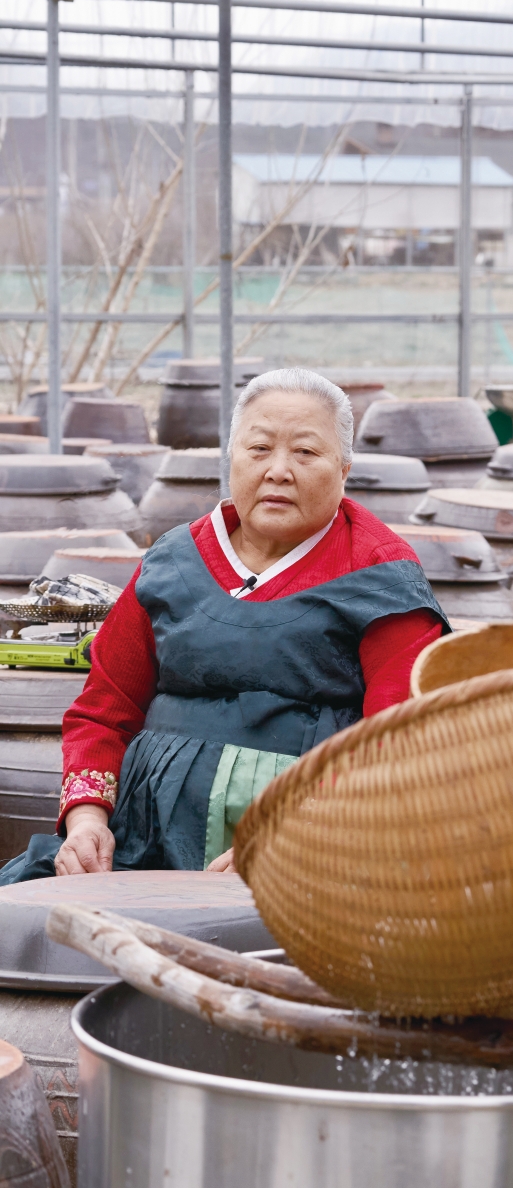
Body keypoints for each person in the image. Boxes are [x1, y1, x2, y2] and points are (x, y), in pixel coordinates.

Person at [1, 368, 447, 882]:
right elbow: (104, 710)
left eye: (305, 453)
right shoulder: (172, 561)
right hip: (140, 843)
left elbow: (396, 740)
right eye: (259, 449)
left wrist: (295, 837)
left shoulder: (380, 574)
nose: (279, 470)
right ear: (231, 458)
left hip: (314, 852)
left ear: (343, 469)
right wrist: (86, 823)